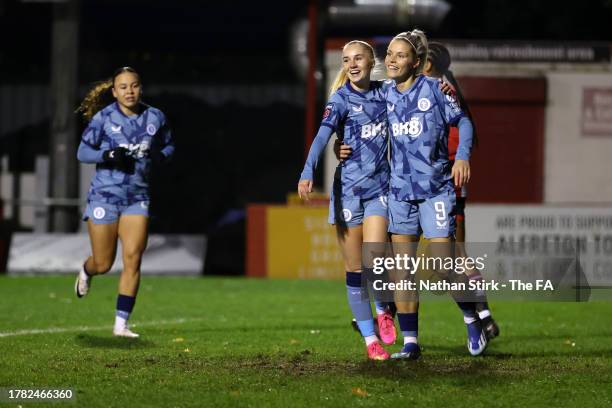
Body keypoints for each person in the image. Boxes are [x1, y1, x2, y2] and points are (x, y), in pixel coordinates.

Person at [381, 30, 486, 359]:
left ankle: (472, 317)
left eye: (400, 55)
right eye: (389, 54)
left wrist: (464, 156)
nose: (392, 60)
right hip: (399, 191)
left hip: (437, 190)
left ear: (416, 62)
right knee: (403, 269)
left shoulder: (437, 89)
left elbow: (464, 122)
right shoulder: (382, 94)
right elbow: (354, 115)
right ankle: (410, 343)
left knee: (443, 264)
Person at [298, 40, 395, 360]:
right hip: (348, 194)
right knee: (354, 269)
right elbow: (322, 136)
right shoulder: (339, 99)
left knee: (376, 258)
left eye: (358, 58)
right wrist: (307, 171)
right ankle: (371, 341)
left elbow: (416, 88)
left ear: (371, 62)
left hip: (380, 190)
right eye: (346, 59)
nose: (352, 64)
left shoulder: (386, 93)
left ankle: (383, 309)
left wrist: (444, 88)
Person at [74, 67, 174, 338]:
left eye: (134, 85)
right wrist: (107, 155)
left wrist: (159, 156)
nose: (129, 91)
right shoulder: (103, 118)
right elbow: (82, 152)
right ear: (114, 91)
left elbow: (168, 146)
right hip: (104, 198)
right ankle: (87, 269)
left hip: (137, 199)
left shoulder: (155, 116)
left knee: (133, 259)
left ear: (141, 88)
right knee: (104, 263)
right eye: (123, 87)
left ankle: (121, 324)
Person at [423, 42, 499, 341]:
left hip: (439, 177)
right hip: (451, 178)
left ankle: (479, 313)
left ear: (426, 63)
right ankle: (483, 314)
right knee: (456, 254)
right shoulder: (445, 85)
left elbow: (451, 139)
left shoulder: (434, 89)